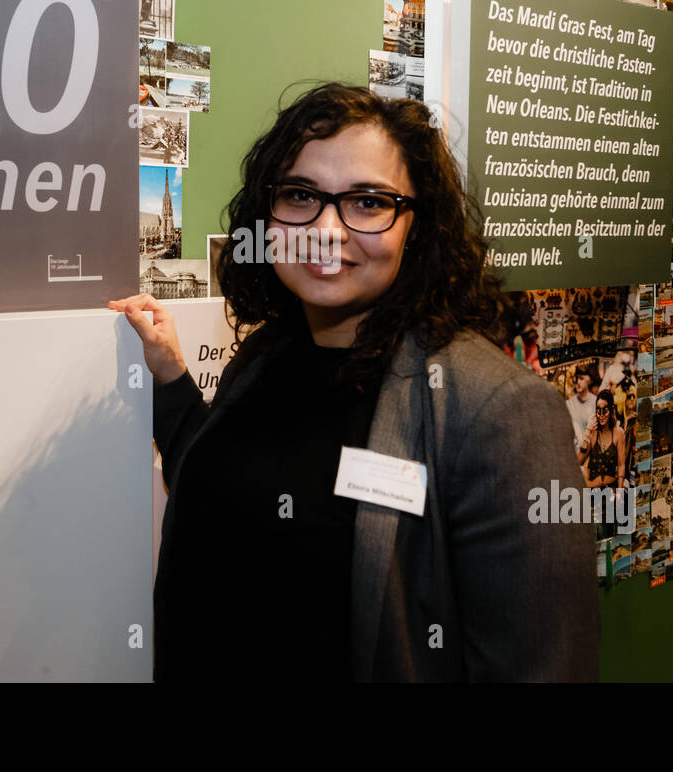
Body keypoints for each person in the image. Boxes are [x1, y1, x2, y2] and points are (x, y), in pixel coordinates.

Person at [110, 82, 598, 681]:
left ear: (416, 226)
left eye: (367, 202)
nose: (327, 230)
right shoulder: (271, 353)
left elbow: (542, 664)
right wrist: (172, 377)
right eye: (300, 195)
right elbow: (229, 486)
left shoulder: (495, 409)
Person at [577, 389, 624, 490]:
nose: (601, 415)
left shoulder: (618, 433)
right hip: (591, 490)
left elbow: (621, 465)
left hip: (611, 489)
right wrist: (587, 435)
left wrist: (620, 491)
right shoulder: (592, 433)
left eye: (605, 411)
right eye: (599, 410)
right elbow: (578, 462)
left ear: (611, 409)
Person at [565, 369, 596, 450]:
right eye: (576, 378)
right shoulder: (569, 403)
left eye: (581, 379)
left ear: (589, 381)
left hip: (591, 450)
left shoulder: (595, 402)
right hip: (574, 451)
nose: (578, 382)